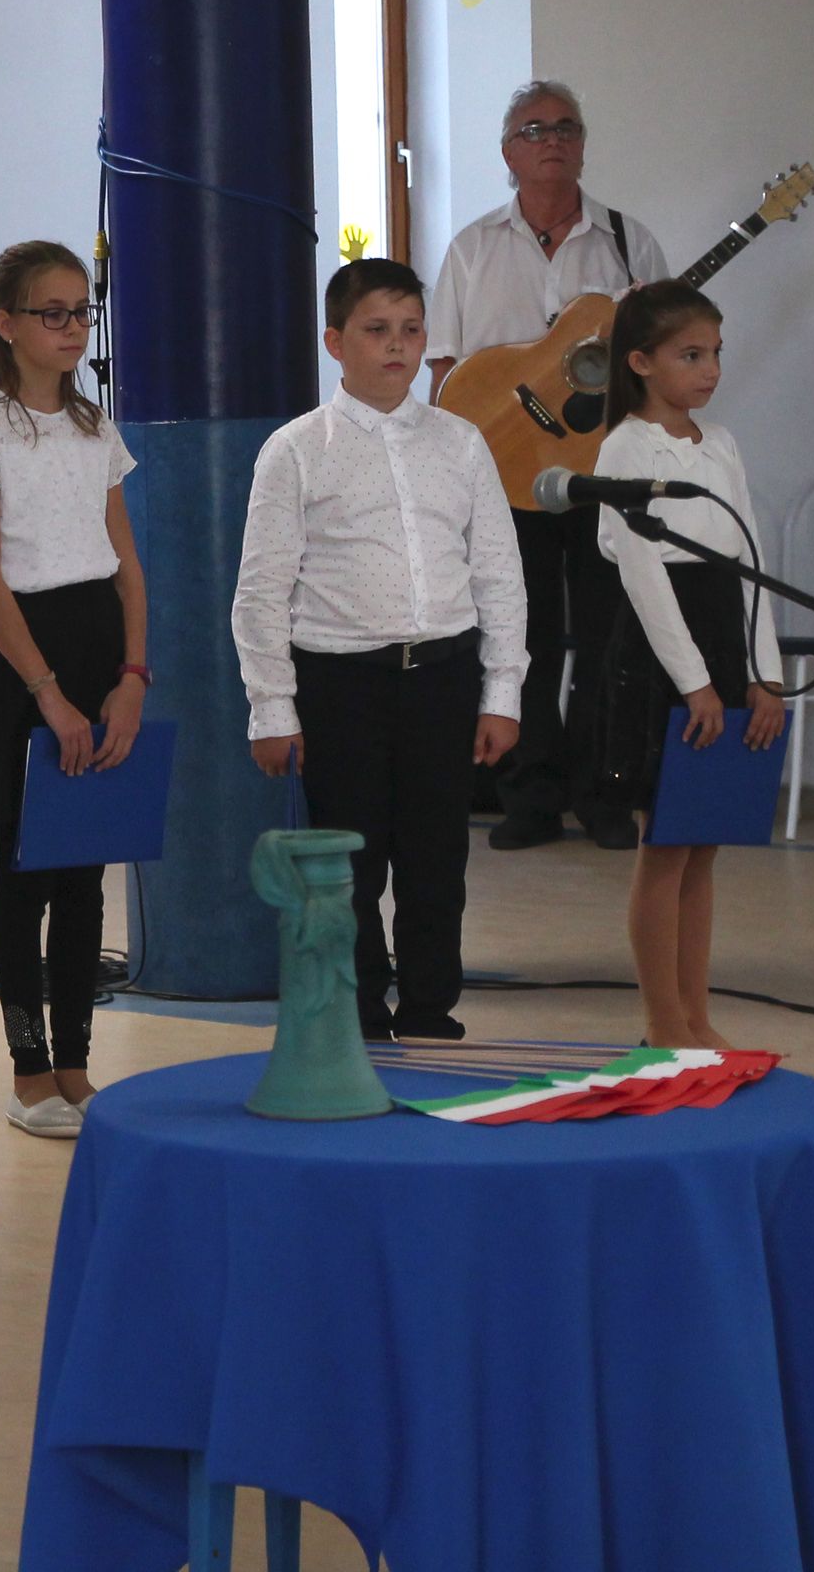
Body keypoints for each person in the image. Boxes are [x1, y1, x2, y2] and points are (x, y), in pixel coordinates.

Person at [234, 260, 526, 1043]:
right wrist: (272, 708)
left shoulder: (461, 443)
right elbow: (260, 592)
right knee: (347, 863)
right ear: (335, 342)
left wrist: (502, 693)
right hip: (340, 683)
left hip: (442, 677)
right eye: (376, 330)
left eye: (410, 330)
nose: (397, 346)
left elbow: (499, 575)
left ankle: (430, 1010)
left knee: (436, 858)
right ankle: (357, 1015)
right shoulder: (297, 449)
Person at [426, 79, 671, 853]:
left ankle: (602, 795)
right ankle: (529, 795)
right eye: (533, 130)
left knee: (608, 636)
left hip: (601, 470)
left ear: (584, 146)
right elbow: (446, 374)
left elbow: (663, 364)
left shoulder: (629, 243)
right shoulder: (471, 249)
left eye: (566, 127)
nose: (552, 140)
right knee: (518, 634)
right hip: (504, 476)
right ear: (508, 153)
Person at [0, 242, 150, 1139]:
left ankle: (76, 1062)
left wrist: (132, 677)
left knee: (85, 879)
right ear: (7, 324)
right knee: (25, 876)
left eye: (81, 312)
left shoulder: (96, 427)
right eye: (52, 313)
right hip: (26, 657)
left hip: (99, 651)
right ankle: (28, 1072)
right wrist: (49, 694)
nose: (71, 328)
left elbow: (128, 566)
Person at [592, 284, 785, 1048]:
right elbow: (643, 576)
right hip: (662, 653)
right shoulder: (627, 448)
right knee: (666, 844)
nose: (710, 370)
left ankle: (698, 1017)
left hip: (724, 638)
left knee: (704, 844)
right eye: (690, 354)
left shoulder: (722, 444)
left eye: (715, 354)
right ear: (641, 362)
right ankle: (664, 1023)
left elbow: (750, 560)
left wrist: (763, 676)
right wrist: (695, 684)